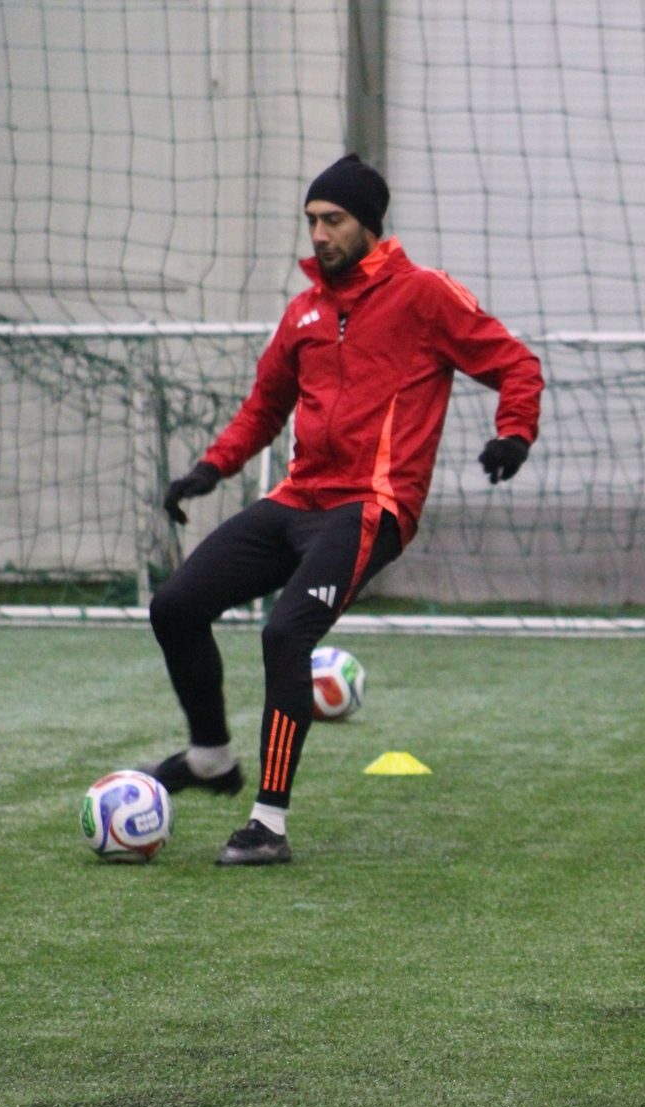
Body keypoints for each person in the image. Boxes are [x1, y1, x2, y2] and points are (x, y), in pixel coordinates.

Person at [148, 154, 543, 865]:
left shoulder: (424, 294)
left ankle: (268, 824)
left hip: (371, 506)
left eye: (333, 220)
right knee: (174, 606)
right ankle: (210, 755)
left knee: (285, 633)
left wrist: (514, 432)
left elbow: (516, 363)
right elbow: (264, 407)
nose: (319, 234)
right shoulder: (304, 310)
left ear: (367, 224)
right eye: (312, 221)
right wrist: (210, 469)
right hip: (297, 498)